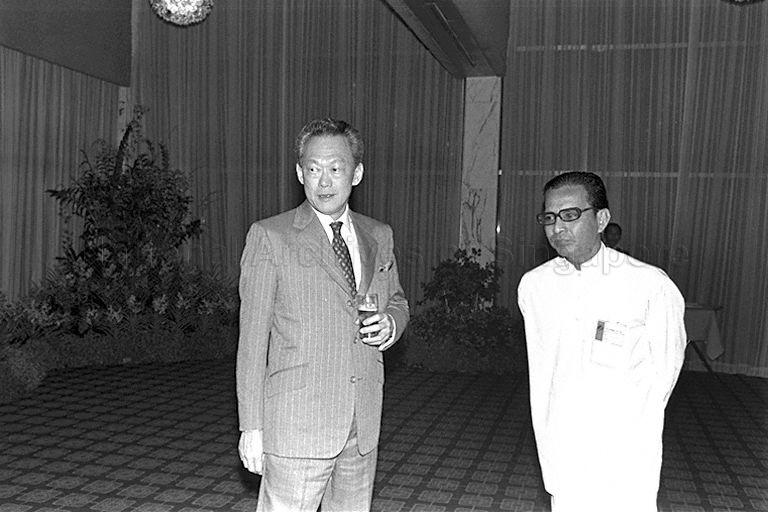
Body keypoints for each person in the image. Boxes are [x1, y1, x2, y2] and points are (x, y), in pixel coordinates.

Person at [236, 118, 409, 511]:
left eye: (336, 168)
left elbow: (397, 299)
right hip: (296, 426)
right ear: (300, 173)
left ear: (357, 173)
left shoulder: (378, 234)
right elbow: (251, 342)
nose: (325, 181)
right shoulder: (270, 236)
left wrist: (393, 323)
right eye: (314, 170)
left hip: (360, 423)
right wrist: (251, 427)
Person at [517, 171, 686, 512]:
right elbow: (543, 366)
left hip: (624, 451)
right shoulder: (534, 287)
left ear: (602, 219)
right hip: (561, 443)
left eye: (570, 215)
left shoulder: (649, 285)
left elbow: (666, 372)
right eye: (549, 218)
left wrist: (629, 425)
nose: (558, 228)